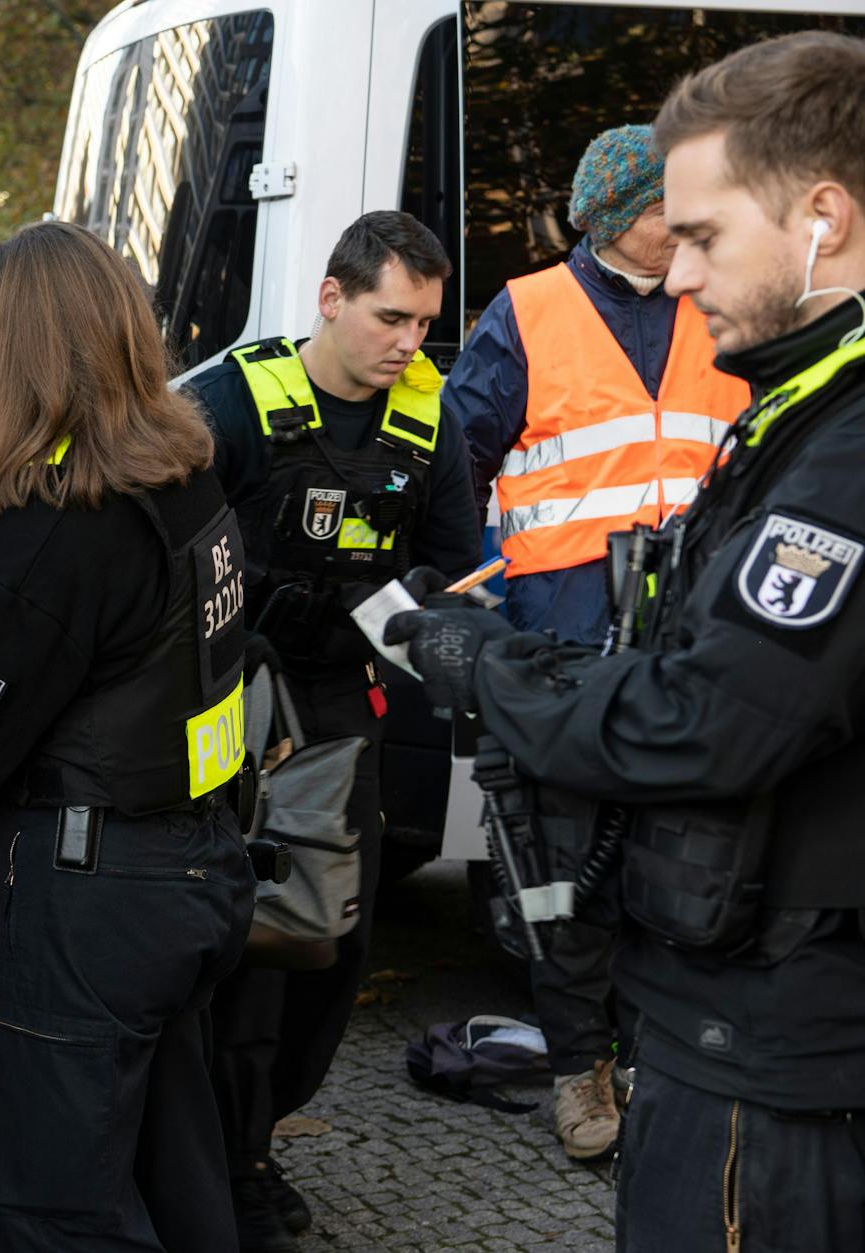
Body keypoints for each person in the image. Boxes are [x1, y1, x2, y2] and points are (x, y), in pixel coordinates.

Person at [387, 31, 865, 1252]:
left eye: (704, 235)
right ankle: (576, 1060)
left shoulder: (834, 437)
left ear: (822, 215)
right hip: (584, 666)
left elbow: (706, 724)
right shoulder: (789, 394)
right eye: (671, 233)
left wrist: (477, 664)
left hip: (772, 1028)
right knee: (552, 898)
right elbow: (464, 456)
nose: (683, 273)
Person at [0, 220, 258, 1251]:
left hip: (85, 898)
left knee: (58, 1208)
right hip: (189, 870)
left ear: (43, 358)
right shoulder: (182, 478)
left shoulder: (52, 530)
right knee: (173, 1175)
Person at [446, 124, 751, 1160]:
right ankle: (580, 1073)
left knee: (687, 867)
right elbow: (458, 469)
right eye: (670, 211)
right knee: (559, 872)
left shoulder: (720, 301)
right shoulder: (527, 310)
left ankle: (659, 1064)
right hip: (563, 647)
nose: (688, 228)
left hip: (694, 642)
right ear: (618, 216)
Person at [187, 210, 482, 1251]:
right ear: (330, 297)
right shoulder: (230, 399)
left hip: (336, 706)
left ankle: (255, 1134)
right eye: (388, 316)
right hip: (223, 710)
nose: (408, 342)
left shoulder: (423, 421)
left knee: (324, 943)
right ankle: (221, 1158)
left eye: (422, 323)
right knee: (235, 944)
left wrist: (381, 609)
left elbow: (454, 558)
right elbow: (161, 543)